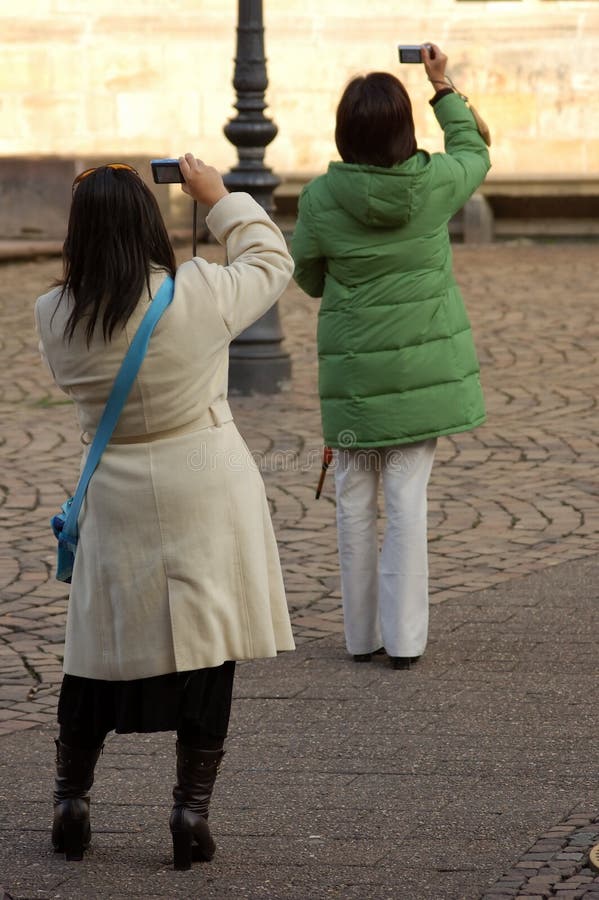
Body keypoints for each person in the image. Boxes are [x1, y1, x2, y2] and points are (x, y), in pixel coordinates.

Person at [35, 155, 295, 869]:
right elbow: (272, 258)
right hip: (206, 482)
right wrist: (218, 196)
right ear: (151, 223)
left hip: (115, 488)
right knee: (207, 650)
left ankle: (71, 799)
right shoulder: (199, 292)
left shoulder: (53, 315)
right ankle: (189, 811)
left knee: (94, 653)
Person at [291, 45, 491, 669]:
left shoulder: (321, 198)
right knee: (406, 499)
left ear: (344, 133)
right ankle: (404, 641)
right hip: (423, 379)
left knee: (353, 496)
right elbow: (476, 151)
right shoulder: (433, 185)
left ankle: (359, 638)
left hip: (354, 379)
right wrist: (440, 85)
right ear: (405, 130)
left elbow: (309, 278)